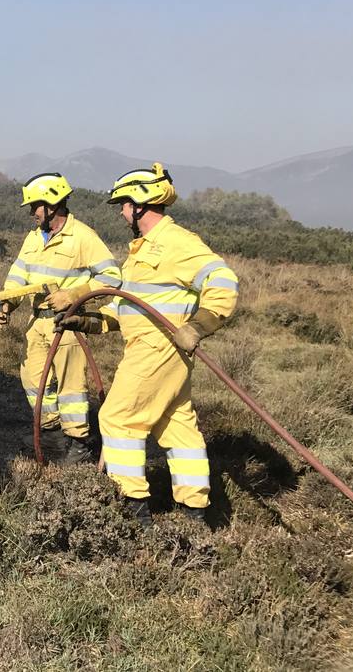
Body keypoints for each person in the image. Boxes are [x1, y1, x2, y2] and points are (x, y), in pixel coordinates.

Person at [59, 163, 238, 523]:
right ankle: (194, 512)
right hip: (157, 351)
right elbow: (129, 306)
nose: (122, 212)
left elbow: (224, 280)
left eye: (124, 204)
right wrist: (89, 321)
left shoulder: (178, 243)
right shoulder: (142, 250)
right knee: (176, 425)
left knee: (118, 419)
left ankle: (132, 512)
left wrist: (199, 324)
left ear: (140, 203)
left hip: (158, 350)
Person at [0, 173, 121, 464]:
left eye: (35, 206)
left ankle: (79, 444)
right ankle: (52, 436)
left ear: (52, 204)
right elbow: (18, 277)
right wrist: (6, 303)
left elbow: (112, 278)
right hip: (36, 324)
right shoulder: (33, 238)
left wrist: (75, 294)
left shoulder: (83, 238)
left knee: (71, 390)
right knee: (34, 382)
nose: (31, 213)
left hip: (66, 326)